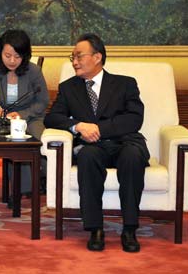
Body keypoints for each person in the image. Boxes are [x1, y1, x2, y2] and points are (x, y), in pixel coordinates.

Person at [44, 33, 150, 253]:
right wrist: (78, 126)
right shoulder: (68, 88)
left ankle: (129, 228)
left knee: (132, 157)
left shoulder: (125, 84)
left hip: (124, 142)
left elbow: (134, 118)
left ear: (97, 57)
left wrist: (100, 129)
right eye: (72, 57)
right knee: (86, 156)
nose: (74, 62)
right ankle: (95, 228)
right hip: (92, 147)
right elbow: (52, 118)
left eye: (79, 56)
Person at [0, 29, 49, 202]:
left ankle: (48, 179)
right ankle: (23, 188)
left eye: (17, 56)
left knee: (39, 140)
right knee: (12, 142)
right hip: (1, 120)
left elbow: (42, 101)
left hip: (31, 116)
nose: (12, 61)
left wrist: (22, 114)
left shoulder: (34, 71)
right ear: (0, 52)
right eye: (7, 55)